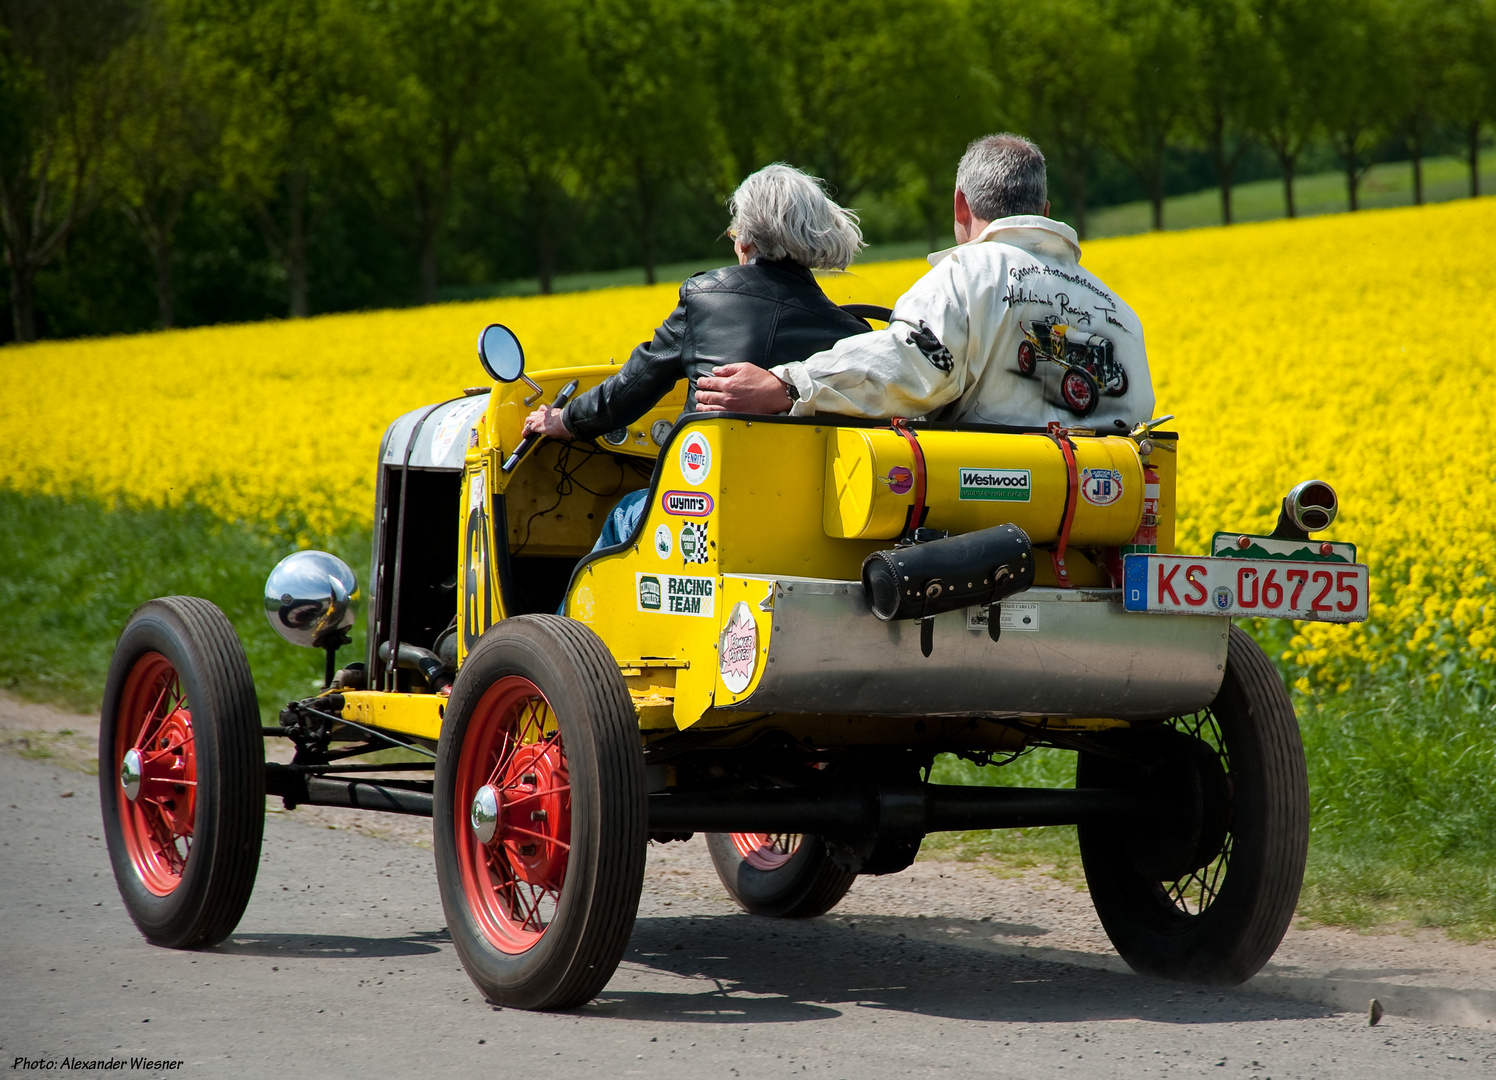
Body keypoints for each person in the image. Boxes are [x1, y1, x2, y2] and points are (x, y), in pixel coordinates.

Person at [695, 134, 1155, 432]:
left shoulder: (965, 275)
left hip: (988, 522)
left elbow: (911, 365)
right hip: (1101, 514)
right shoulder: (1117, 310)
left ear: (960, 206)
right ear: (1045, 212)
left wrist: (788, 386)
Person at [522, 163, 872, 547]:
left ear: (746, 240)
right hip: (803, 524)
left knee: (625, 512)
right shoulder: (852, 333)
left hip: (702, 511)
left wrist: (565, 419)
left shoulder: (705, 296)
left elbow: (634, 385)